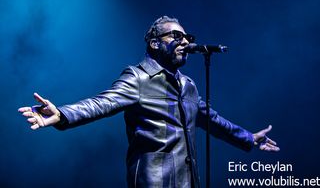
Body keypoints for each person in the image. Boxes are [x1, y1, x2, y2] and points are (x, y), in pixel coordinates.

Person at [18, 16, 280, 188]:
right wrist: (61, 114)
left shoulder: (188, 86)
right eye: (176, 37)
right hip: (153, 182)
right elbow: (101, 103)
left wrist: (248, 137)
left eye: (188, 38)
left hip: (188, 182)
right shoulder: (139, 77)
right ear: (155, 43)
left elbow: (212, 120)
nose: (185, 42)